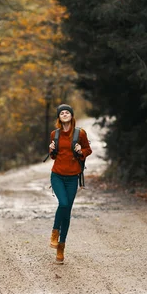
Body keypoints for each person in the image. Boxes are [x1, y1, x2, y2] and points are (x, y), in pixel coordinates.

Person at [48, 104, 92, 264]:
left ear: (71, 116)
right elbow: (53, 156)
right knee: (63, 203)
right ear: (59, 118)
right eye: (62, 113)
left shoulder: (80, 133)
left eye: (67, 112)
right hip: (57, 175)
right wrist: (51, 149)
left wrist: (81, 150)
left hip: (73, 177)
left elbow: (88, 150)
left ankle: (61, 246)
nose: (64, 114)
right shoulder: (55, 134)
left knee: (67, 212)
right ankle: (54, 232)